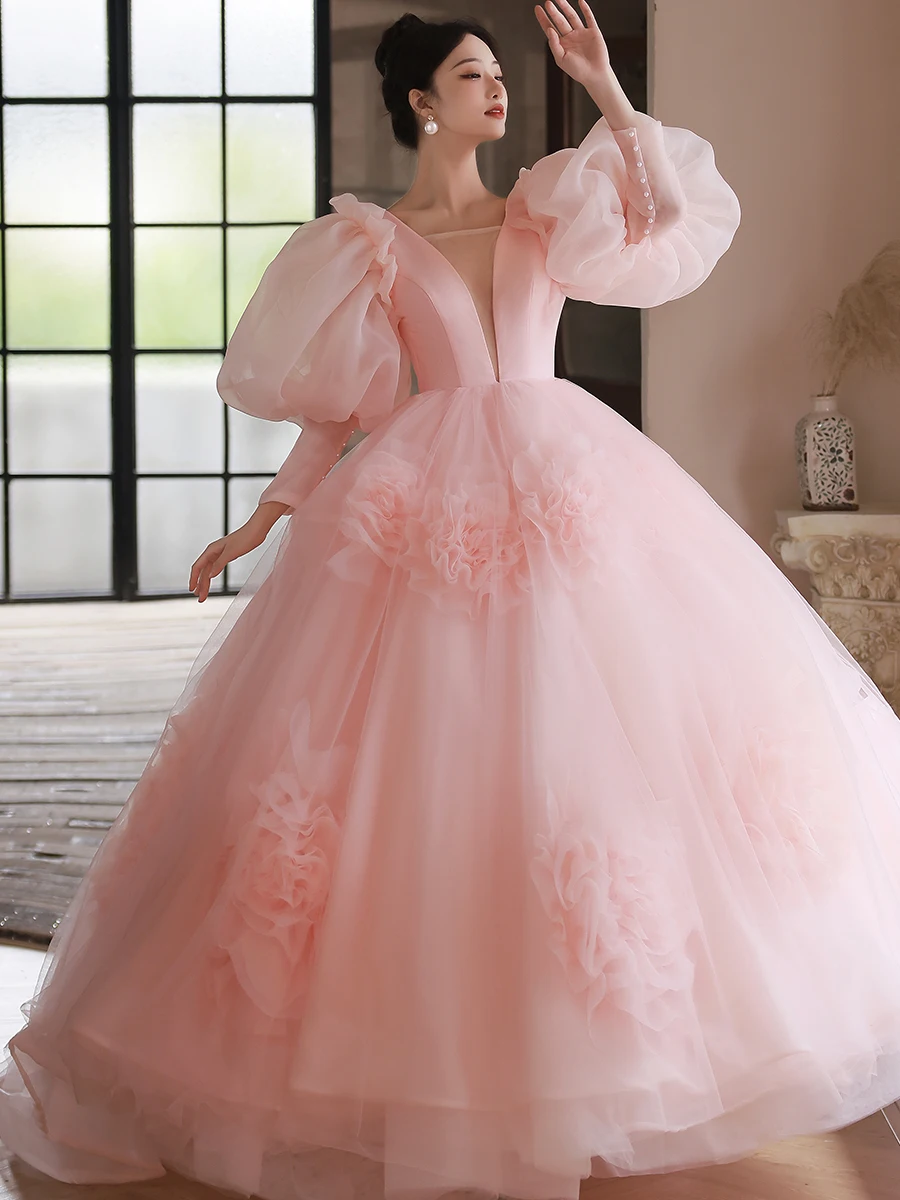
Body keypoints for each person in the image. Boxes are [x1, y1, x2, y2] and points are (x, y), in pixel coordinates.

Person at [3, 5, 900, 1200]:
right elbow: (338, 409)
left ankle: (587, 1058)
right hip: (422, 495)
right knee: (410, 770)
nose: (501, 93)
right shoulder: (372, 244)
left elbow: (672, 221)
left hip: (571, 488)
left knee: (595, 755)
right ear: (422, 102)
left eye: (501, 76)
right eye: (475, 76)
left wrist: (608, 92)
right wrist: (262, 520)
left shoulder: (546, 206)